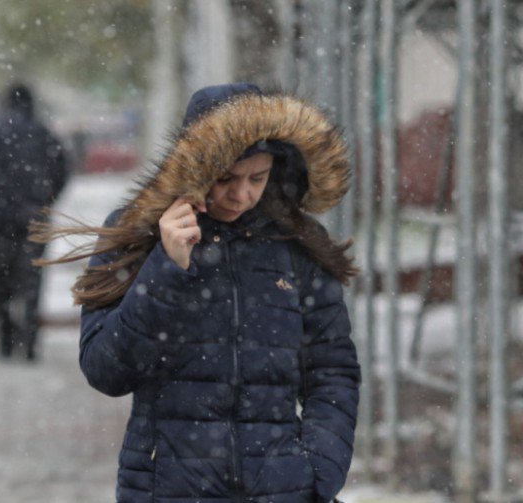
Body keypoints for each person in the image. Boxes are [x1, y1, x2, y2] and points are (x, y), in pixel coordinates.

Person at [31, 83, 361, 502]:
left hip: (282, 491)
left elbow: (332, 372)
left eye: (257, 178)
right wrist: (166, 267)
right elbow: (106, 370)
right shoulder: (139, 235)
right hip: (168, 490)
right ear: (195, 167)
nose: (241, 194)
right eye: (225, 178)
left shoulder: (295, 245)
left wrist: (319, 469)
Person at [0, 83, 69, 360]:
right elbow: (62, 169)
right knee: (32, 281)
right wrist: (46, 200)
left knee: (2, 279)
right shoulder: (44, 133)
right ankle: (30, 342)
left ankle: (5, 340)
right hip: (34, 218)